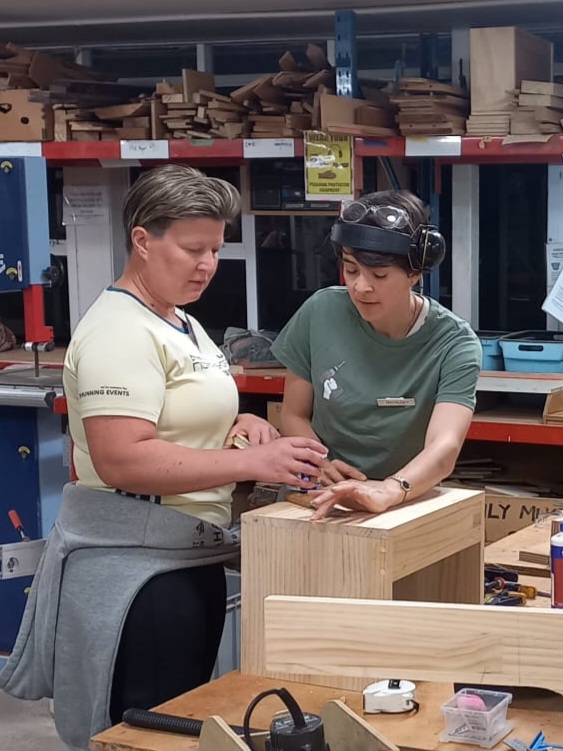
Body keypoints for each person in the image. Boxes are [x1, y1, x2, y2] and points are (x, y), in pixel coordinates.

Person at [0, 164, 326, 751]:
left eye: (216, 249)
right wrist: (253, 465)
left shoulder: (181, 322)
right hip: (137, 572)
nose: (208, 264)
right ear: (143, 240)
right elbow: (123, 459)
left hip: (187, 554)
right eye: (192, 249)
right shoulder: (119, 333)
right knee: (142, 734)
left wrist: (240, 426)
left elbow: (179, 421)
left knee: (180, 727)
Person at [271, 189, 481, 521]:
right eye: (351, 270)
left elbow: (444, 446)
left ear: (415, 273)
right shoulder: (320, 312)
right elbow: (294, 414)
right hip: (321, 493)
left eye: (379, 275)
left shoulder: (454, 343)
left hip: (406, 498)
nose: (361, 287)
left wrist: (390, 489)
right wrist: (322, 463)